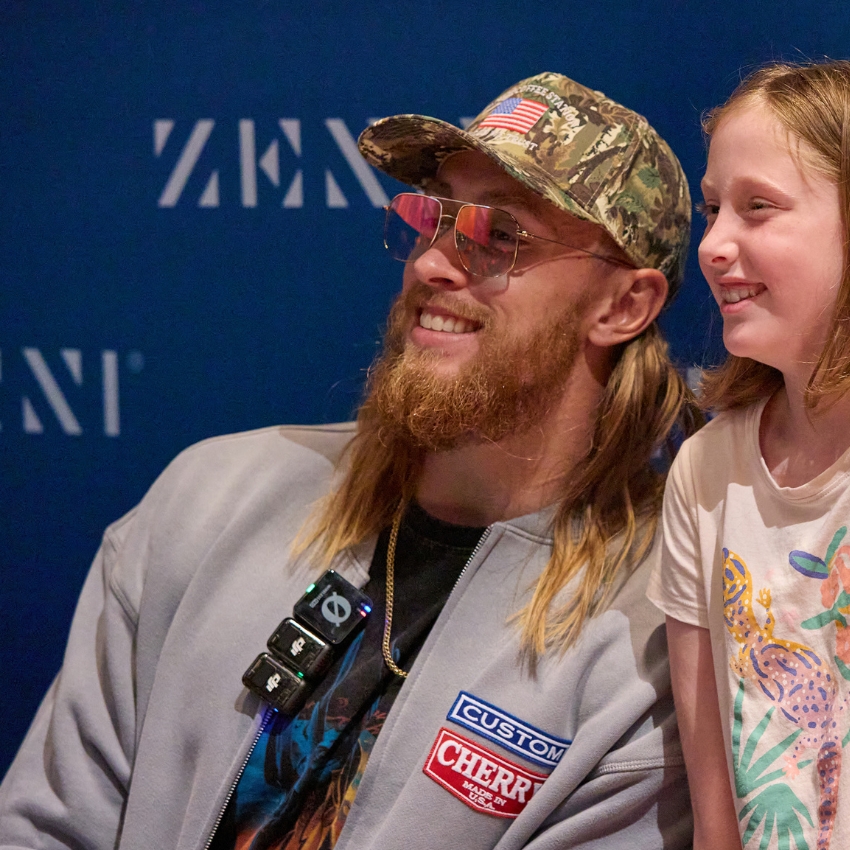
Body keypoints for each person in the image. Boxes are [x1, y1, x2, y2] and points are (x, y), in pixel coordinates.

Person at [0, 72, 694, 850]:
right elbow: (44, 828)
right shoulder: (209, 498)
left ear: (624, 306)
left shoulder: (656, 639)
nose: (435, 263)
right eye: (434, 219)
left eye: (501, 237)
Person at [648, 60, 850, 850]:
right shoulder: (706, 474)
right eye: (712, 209)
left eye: (758, 208)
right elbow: (716, 825)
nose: (714, 245)